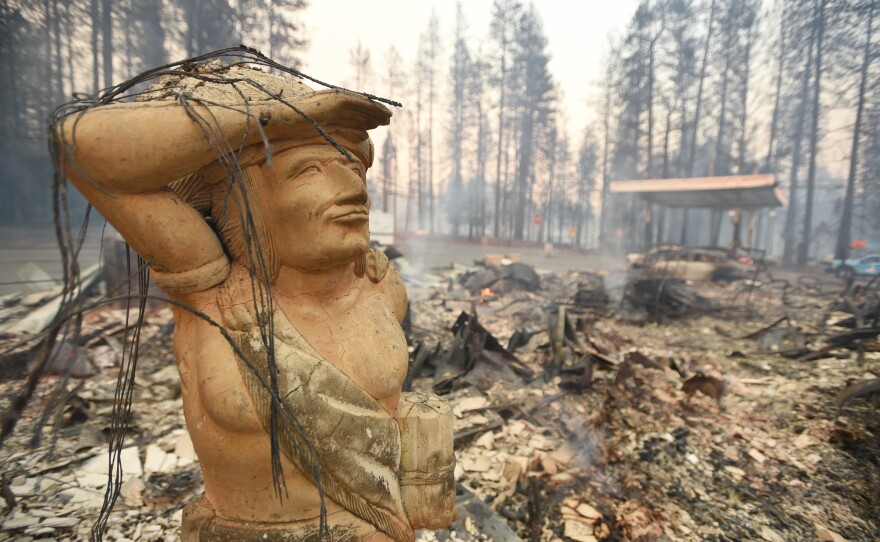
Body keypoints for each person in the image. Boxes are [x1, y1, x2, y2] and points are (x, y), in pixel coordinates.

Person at [56, 62, 450, 542]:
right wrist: (273, 116)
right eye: (308, 170)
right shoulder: (212, 291)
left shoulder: (379, 289)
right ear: (244, 201)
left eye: (351, 168)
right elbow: (80, 149)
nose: (352, 189)